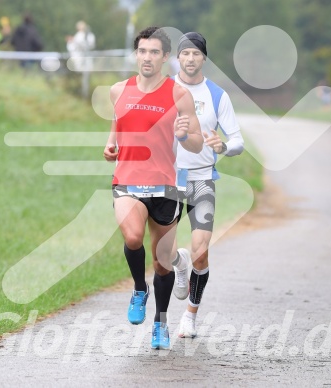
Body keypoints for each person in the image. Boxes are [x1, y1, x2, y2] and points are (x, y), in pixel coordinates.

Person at [103, 26, 203, 350]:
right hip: (128, 178)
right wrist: (110, 145)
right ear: (137, 54)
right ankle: (138, 289)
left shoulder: (178, 94)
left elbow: (197, 139)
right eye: (142, 51)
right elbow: (117, 124)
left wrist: (186, 132)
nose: (147, 58)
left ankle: (160, 322)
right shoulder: (119, 90)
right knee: (132, 237)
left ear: (165, 57)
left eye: (154, 52)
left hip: (166, 184)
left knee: (162, 261)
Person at [171, 32, 244, 338]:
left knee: (201, 252)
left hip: (202, 179)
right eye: (185, 53)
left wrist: (223, 146)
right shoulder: (164, 91)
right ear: (178, 58)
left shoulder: (217, 95)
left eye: (196, 54)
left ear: (203, 58)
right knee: (163, 253)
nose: (190, 59)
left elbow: (238, 141)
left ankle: (190, 316)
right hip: (168, 179)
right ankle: (178, 262)